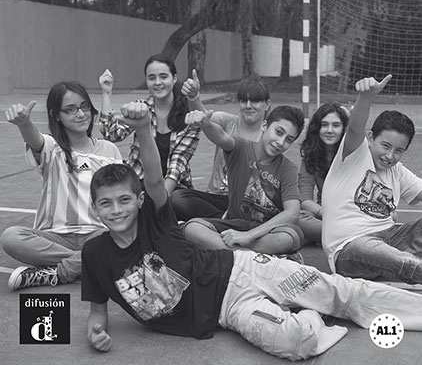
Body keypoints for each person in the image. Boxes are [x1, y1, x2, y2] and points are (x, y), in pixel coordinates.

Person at [82, 101, 422, 361]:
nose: (117, 210)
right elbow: (98, 312)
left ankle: (322, 299)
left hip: (242, 268)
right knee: (296, 343)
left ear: (140, 200)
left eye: (124, 200)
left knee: (343, 294)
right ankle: (307, 311)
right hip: (228, 309)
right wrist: (95, 331)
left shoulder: (152, 220)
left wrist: (144, 128)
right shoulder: (95, 254)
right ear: (95, 208)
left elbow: (156, 178)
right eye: (106, 204)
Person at [1, 81, 122, 290]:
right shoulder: (51, 147)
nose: (81, 114)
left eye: (85, 106)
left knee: (128, 235)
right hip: (53, 238)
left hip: (98, 234)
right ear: (56, 115)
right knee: (11, 237)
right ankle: (90, 262)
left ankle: (59, 271)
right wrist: (24, 123)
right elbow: (34, 139)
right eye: (71, 109)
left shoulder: (109, 150)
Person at [322, 74, 422, 284]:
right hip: (351, 248)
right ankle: (409, 265)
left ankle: (402, 264)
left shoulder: (397, 171)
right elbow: (355, 127)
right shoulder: (354, 155)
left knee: (393, 256)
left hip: (392, 239)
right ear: (370, 138)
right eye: (385, 146)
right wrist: (366, 97)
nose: (389, 156)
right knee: (383, 254)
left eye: (398, 151)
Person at [181, 105, 305, 256]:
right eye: (279, 132)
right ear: (264, 126)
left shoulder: (288, 168)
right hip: (234, 225)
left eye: (288, 140)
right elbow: (221, 136)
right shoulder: (241, 148)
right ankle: (253, 258)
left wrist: (248, 236)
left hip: (268, 232)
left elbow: (292, 213)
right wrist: (206, 125)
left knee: (287, 238)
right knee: (192, 229)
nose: (280, 142)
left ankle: (237, 255)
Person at [98, 55, 200, 209]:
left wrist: (161, 202)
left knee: (178, 201)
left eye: (163, 77)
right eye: (152, 78)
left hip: (173, 187)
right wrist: (106, 93)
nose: (157, 82)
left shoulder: (189, 115)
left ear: (174, 79)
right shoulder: (141, 108)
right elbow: (111, 134)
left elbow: (177, 164)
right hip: (139, 182)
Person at [170, 71, 271, 220]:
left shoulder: (271, 134)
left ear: (267, 104)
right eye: (244, 101)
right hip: (217, 198)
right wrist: (193, 96)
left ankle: (220, 222)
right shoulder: (227, 121)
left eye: (255, 101)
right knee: (177, 198)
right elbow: (204, 118)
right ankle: (225, 221)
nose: (248, 106)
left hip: (248, 202)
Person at [298, 103, 349, 244]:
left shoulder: (353, 155)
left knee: (297, 234)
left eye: (336, 125)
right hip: (323, 215)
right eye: (324, 125)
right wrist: (324, 214)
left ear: (344, 129)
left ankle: (329, 237)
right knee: (296, 218)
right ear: (317, 128)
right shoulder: (310, 156)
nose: (329, 130)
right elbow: (305, 200)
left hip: (351, 215)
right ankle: (346, 236)